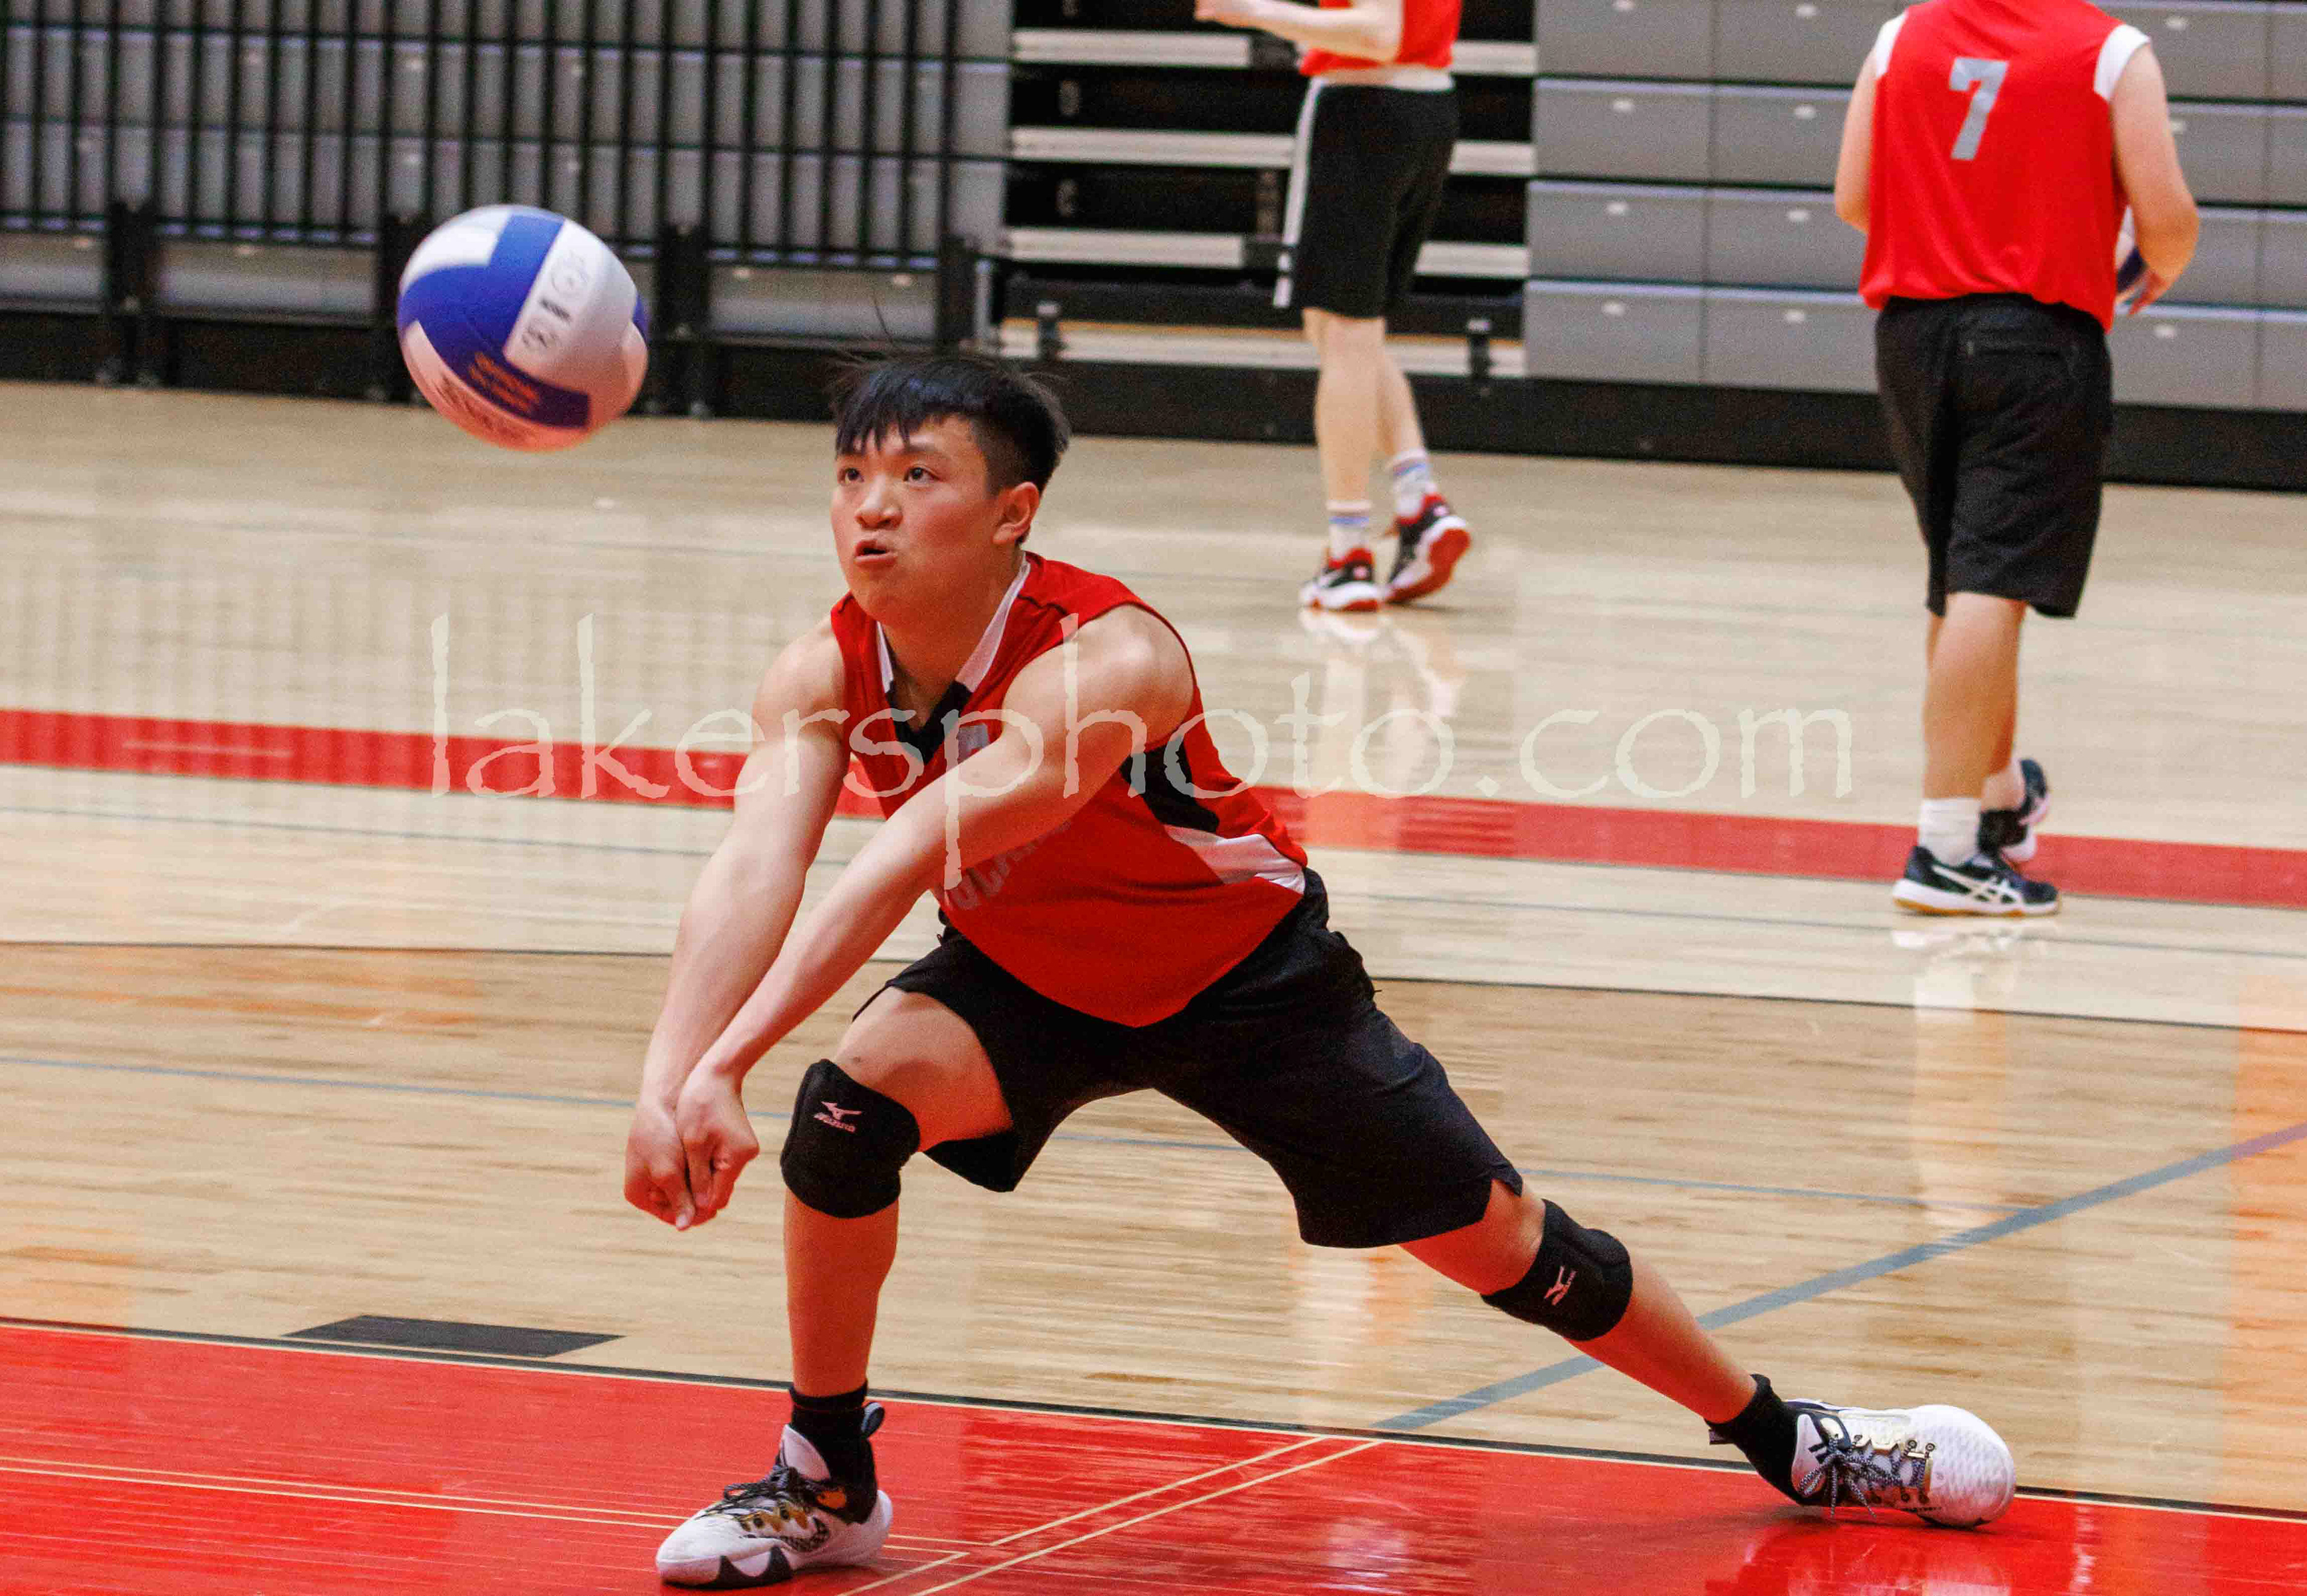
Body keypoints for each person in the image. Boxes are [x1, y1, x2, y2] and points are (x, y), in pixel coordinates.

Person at [625, 356, 2016, 1589]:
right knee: (849, 1107)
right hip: (1027, 978)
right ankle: (827, 1480)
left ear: (1013, 512)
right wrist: (669, 1077)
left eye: (917, 476)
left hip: (1247, 984)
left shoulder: (1108, 656)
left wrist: (723, 1063)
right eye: (851, 476)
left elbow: (897, 857)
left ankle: (1792, 1438)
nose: (870, 509)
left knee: (1508, 1247)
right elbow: (755, 866)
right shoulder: (823, 669)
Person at [1834, 0, 2198, 915]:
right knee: (1991, 584)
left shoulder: (1900, 38)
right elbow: (2167, 219)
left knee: (1963, 582)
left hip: (1913, 337)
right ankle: (1946, 851)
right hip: (2033, 340)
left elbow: (1856, 200)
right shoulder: (2111, 51)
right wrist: (2152, 267)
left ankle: (1992, 794)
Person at [1194, 0, 1473, 612]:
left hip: (1363, 112)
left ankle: (1348, 556)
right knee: (1345, 330)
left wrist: (1254, 11)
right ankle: (1419, 501)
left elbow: (1376, 33)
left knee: (1345, 336)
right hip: (1428, 108)